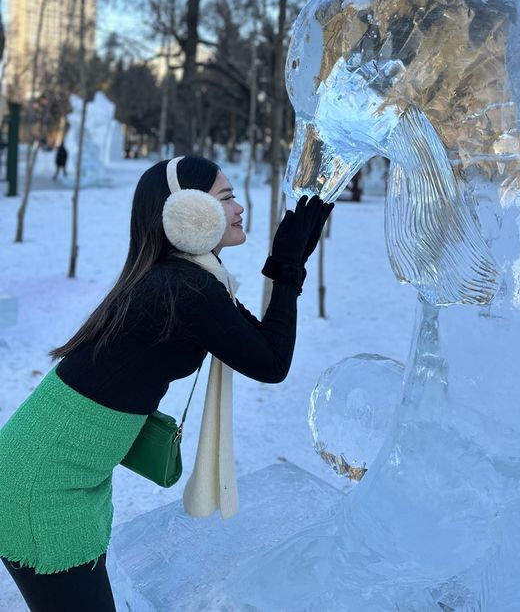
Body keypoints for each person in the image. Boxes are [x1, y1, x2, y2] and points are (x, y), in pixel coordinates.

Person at [0, 155, 332, 612]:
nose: (239, 209)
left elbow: (260, 346)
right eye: (226, 198)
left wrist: (285, 265)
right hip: (44, 488)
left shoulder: (185, 279)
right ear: (187, 213)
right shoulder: (185, 288)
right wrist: (286, 266)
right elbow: (271, 362)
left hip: (59, 476)